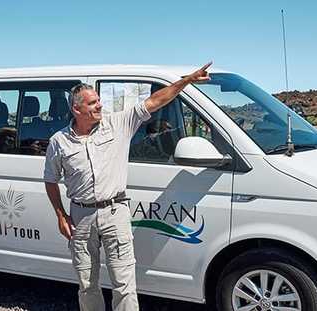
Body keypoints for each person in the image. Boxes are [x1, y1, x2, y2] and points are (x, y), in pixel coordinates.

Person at [43, 63, 212, 311]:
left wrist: (186, 81)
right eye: (92, 103)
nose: (99, 105)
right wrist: (60, 215)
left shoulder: (118, 123)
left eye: (99, 100)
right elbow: (50, 179)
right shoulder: (59, 142)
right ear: (76, 109)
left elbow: (155, 101)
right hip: (80, 216)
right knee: (87, 284)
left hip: (115, 212)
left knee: (124, 285)